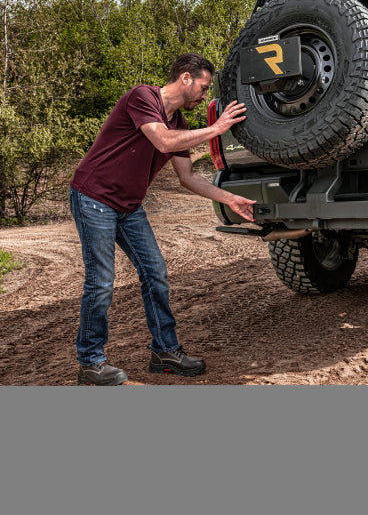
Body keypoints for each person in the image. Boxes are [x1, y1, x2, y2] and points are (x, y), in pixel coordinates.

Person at [69, 52, 255, 385]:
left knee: (155, 273)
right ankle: (91, 362)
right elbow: (162, 140)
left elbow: (188, 178)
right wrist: (217, 128)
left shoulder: (180, 124)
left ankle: (164, 352)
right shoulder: (143, 97)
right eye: (203, 86)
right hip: (93, 197)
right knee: (101, 283)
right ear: (186, 77)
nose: (203, 94)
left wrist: (231, 198)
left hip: (128, 206)